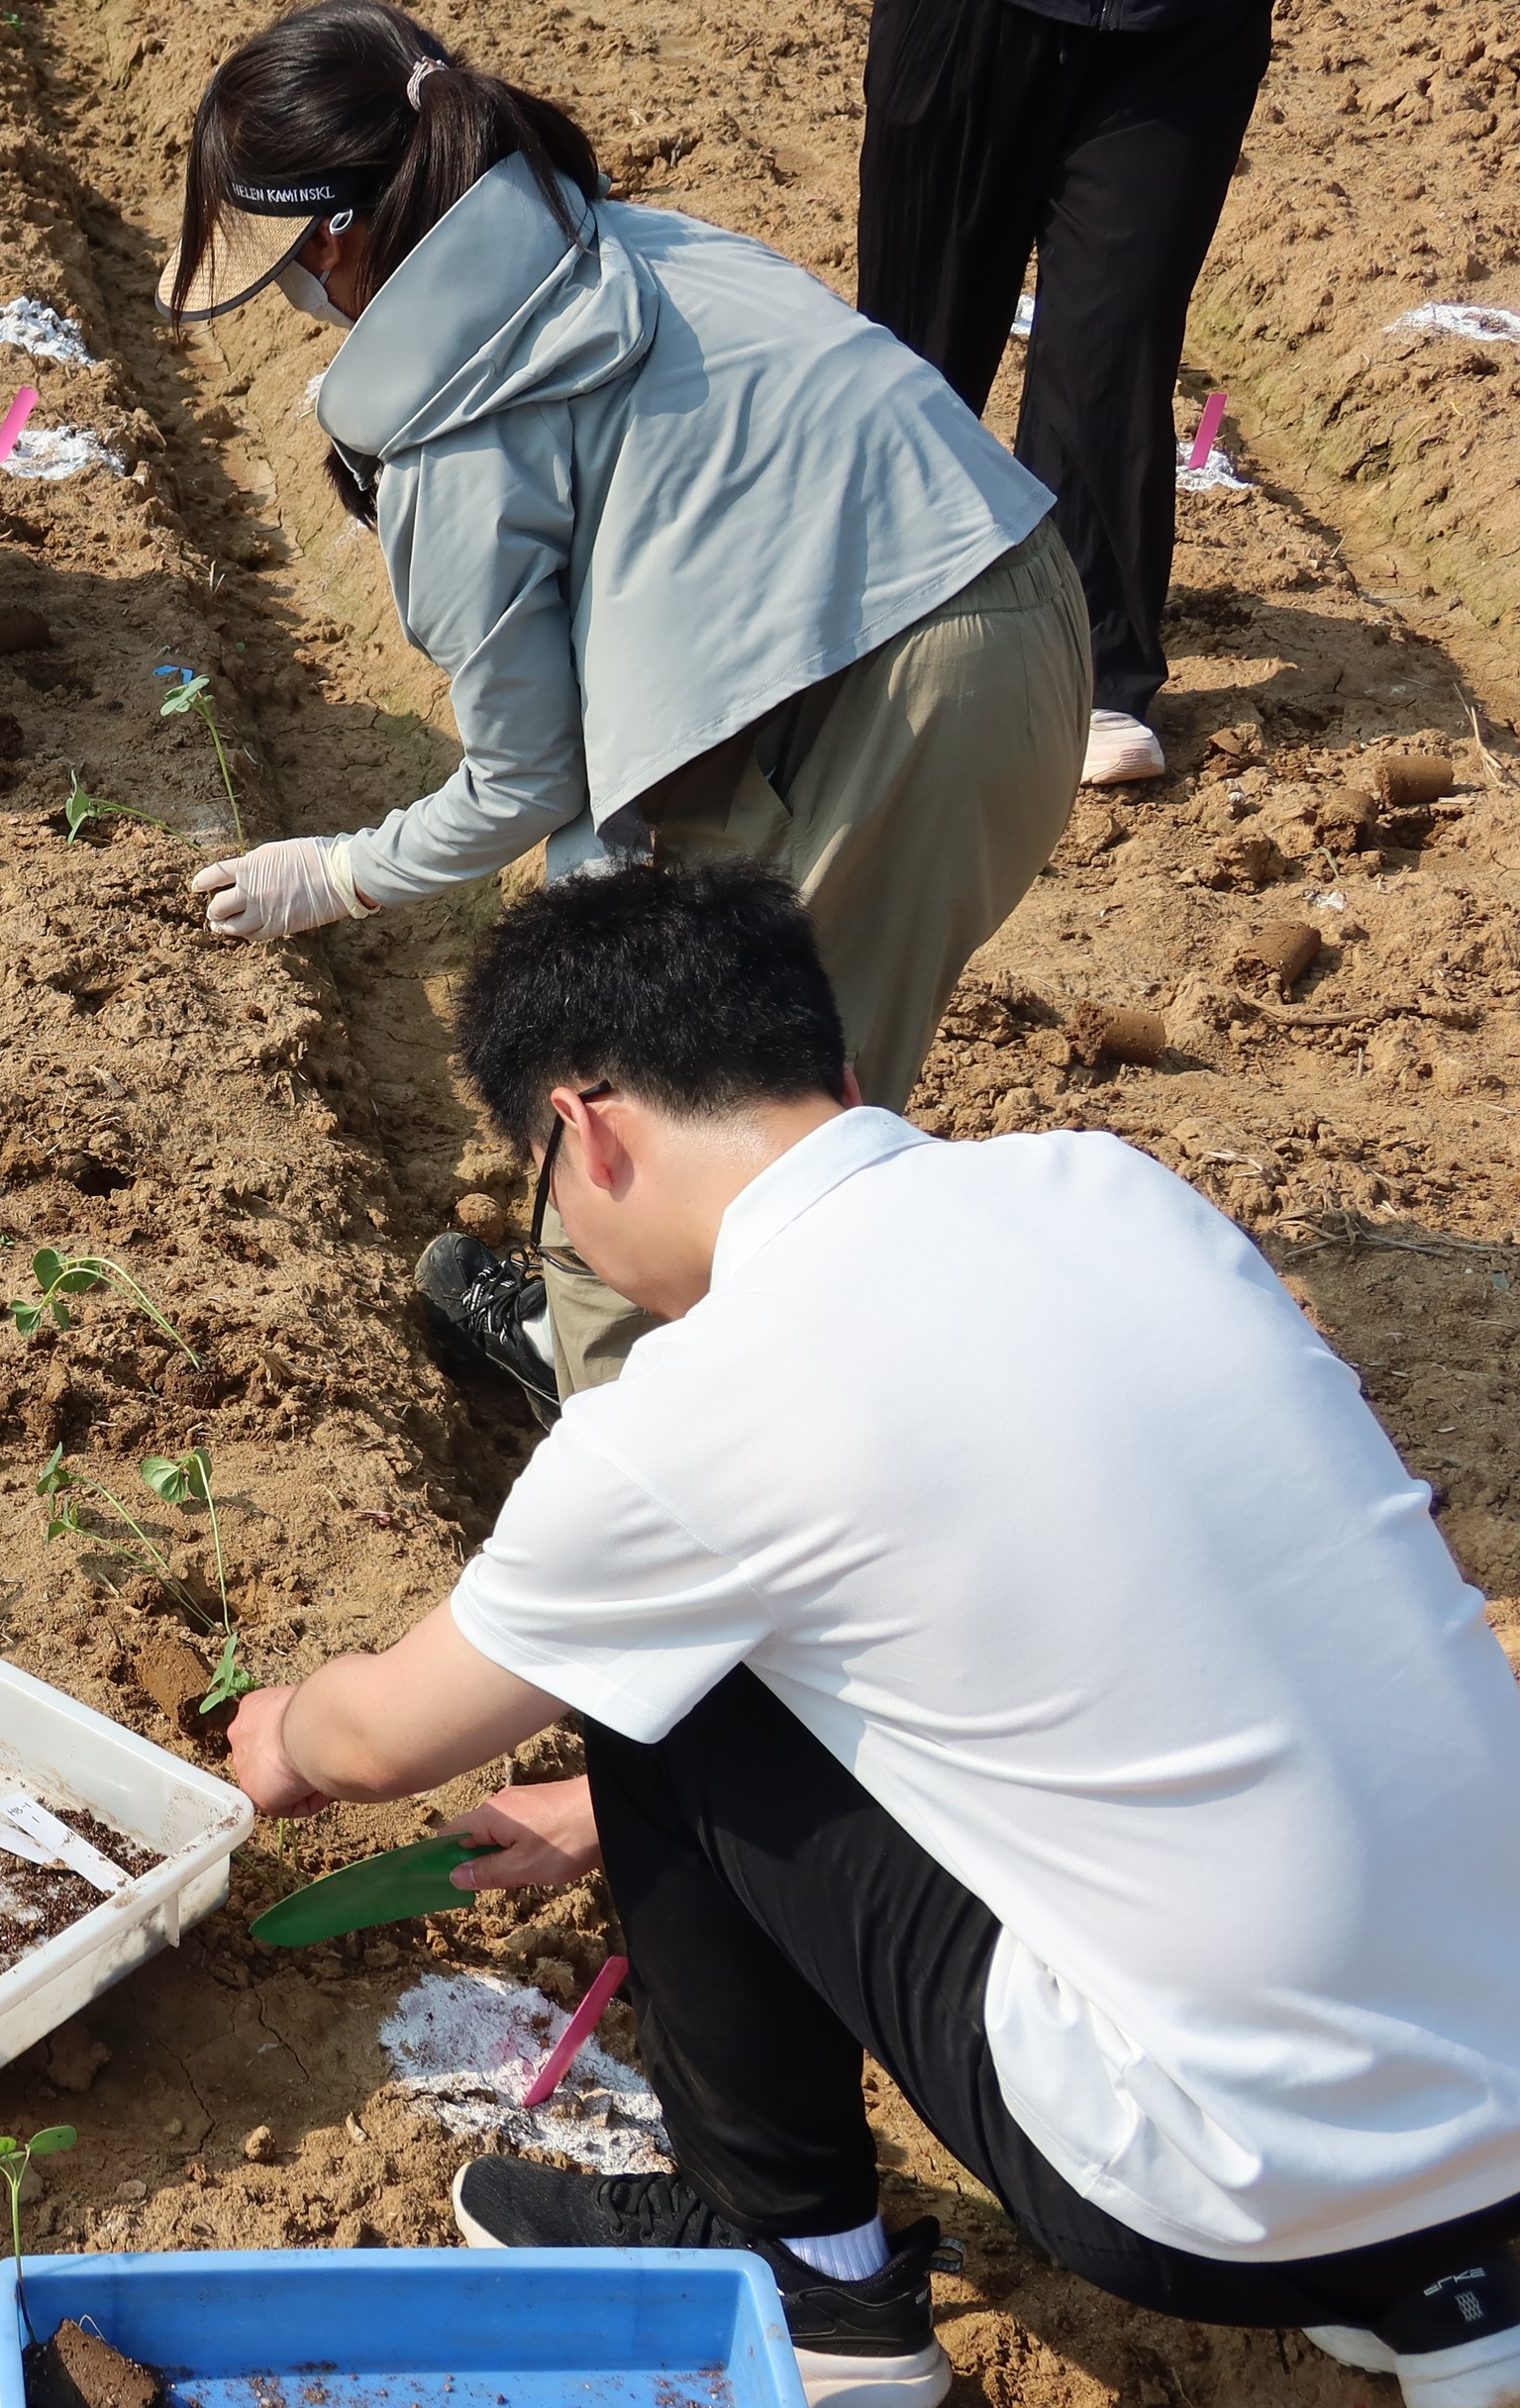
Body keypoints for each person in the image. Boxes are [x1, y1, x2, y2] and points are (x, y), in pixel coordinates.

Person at [224, 861, 1520, 2408]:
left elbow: (379, 1740)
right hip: (1496, 2090)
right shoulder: (1117, 1191)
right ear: (833, 1070)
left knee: (665, 1695)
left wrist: (281, 1731)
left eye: (540, 1182)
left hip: (1221, 2195)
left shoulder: (694, 1417)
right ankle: (1454, 2300)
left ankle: (818, 2295)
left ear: (586, 1127)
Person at [157, 1, 1089, 1410]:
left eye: (289, 260)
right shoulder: (612, 241)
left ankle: (648, 1495)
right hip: (1006, 611)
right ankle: (662, 1386)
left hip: (915, 710)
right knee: (718, 1103)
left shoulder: (459, 428)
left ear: (336, 239)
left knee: (655, 1125)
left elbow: (532, 782)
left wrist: (338, 875)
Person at [853, 0, 1275, 791]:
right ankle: (863, 621)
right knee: (921, 339)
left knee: (1116, 338)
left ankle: (1086, 662)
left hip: (1184, 31)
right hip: (969, 24)